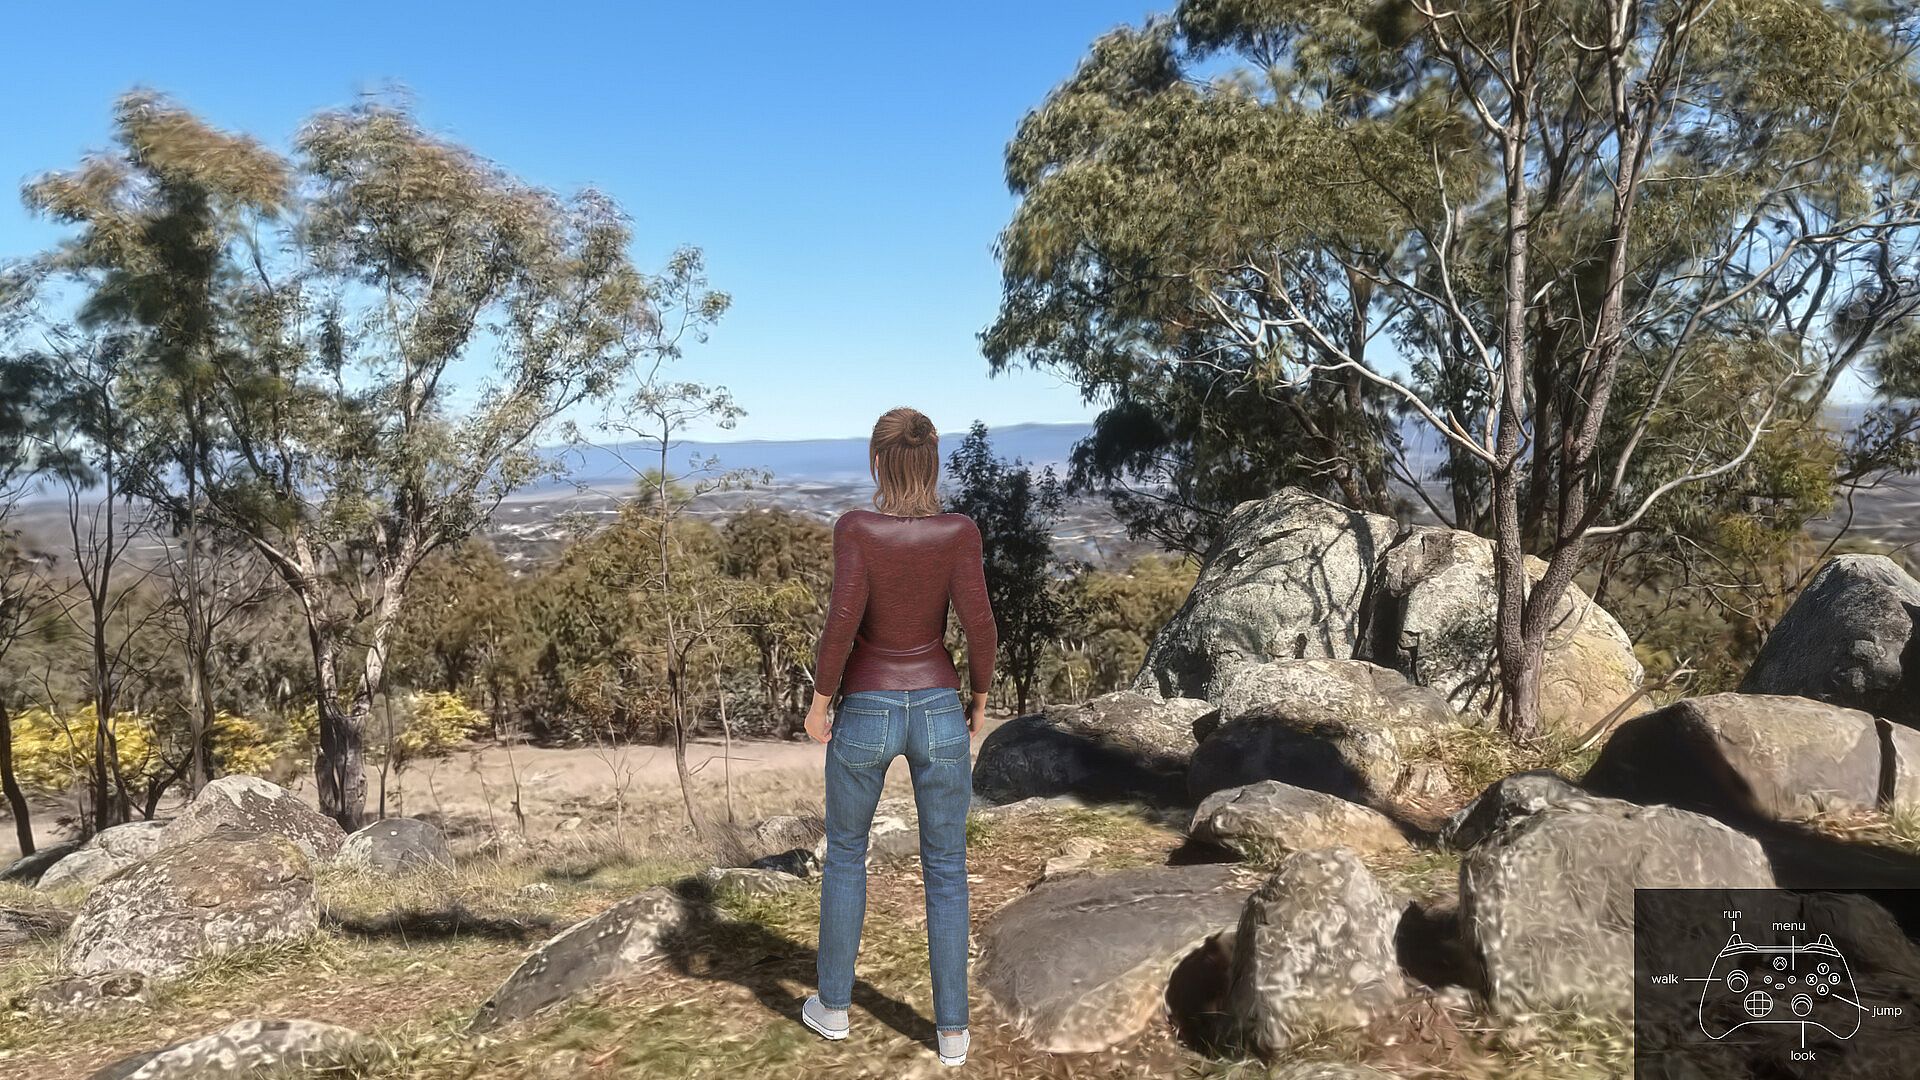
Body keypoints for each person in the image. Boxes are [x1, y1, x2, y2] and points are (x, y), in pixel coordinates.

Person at [799, 406, 997, 1068]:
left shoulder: (855, 529)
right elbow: (981, 626)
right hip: (939, 707)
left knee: (846, 855)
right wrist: (978, 700)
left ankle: (832, 1008)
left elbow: (842, 621)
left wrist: (819, 704)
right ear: (932, 461)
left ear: (878, 460)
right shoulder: (959, 532)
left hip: (866, 708)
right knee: (946, 866)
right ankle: (952, 1034)